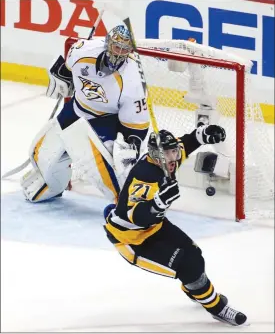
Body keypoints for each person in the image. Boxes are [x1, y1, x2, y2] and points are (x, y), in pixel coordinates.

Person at [103, 125, 248, 326]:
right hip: (131, 239)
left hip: (154, 227)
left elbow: (187, 142)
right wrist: (157, 204)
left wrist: (204, 133)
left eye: (174, 152)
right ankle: (217, 308)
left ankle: (194, 289)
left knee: (194, 254)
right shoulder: (144, 175)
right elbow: (136, 216)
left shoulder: (169, 157)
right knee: (188, 265)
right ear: (154, 155)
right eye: (167, 153)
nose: (173, 158)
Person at [20, 25, 149, 203]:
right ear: (108, 44)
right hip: (76, 109)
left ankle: (126, 202)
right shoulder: (82, 51)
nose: (119, 53)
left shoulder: (132, 79)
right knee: (39, 153)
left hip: (104, 120)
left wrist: (130, 146)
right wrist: (62, 77)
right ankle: (55, 185)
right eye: (116, 47)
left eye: (125, 49)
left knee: (101, 170)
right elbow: (66, 70)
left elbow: (136, 126)